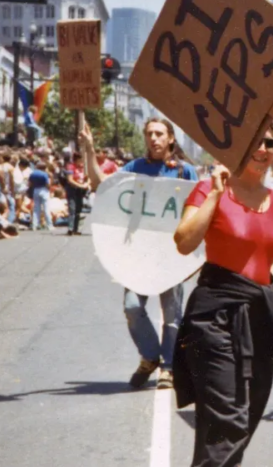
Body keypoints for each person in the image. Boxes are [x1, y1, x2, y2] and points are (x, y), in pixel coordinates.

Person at [172, 125, 273, 467]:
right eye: (255, 139)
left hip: (261, 312)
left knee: (249, 413)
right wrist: (217, 194)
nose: (262, 148)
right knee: (228, 414)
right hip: (215, 312)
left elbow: (269, 255)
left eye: (271, 143)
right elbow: (184, 242)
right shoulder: (208, 189)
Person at [81, 117, 198, 389]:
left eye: (159, 133)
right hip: (139, 256)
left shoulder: (185, 173)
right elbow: (102, 185)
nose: (154, 138)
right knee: (132, 307)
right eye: (149, 134)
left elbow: (200, 212)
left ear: (170, 138)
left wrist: (197, 257)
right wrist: (88, 149)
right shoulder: (135, 168)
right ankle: (149, 357)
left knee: (172, 316)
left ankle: (168, 367)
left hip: (172, 257)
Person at [64, 152, 90, 236]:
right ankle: (70, 228)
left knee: (79, 209)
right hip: (72, 189)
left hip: (80, 191)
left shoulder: (82, 168)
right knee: (72, 209)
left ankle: (76, 228)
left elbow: (88, 178)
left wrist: (87, 183)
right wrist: (81, 186)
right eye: (80, 160)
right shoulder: (71, 167)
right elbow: (70, 180)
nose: (82, 162)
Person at [28, 160, 53, 231]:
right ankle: (49, 225)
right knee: (46, 208)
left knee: (36, 208)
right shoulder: (45, 174)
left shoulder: (32, 173)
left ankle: (35, 225)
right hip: (44, 190)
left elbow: (30, 184)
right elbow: (48, 184)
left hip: (36, 190)